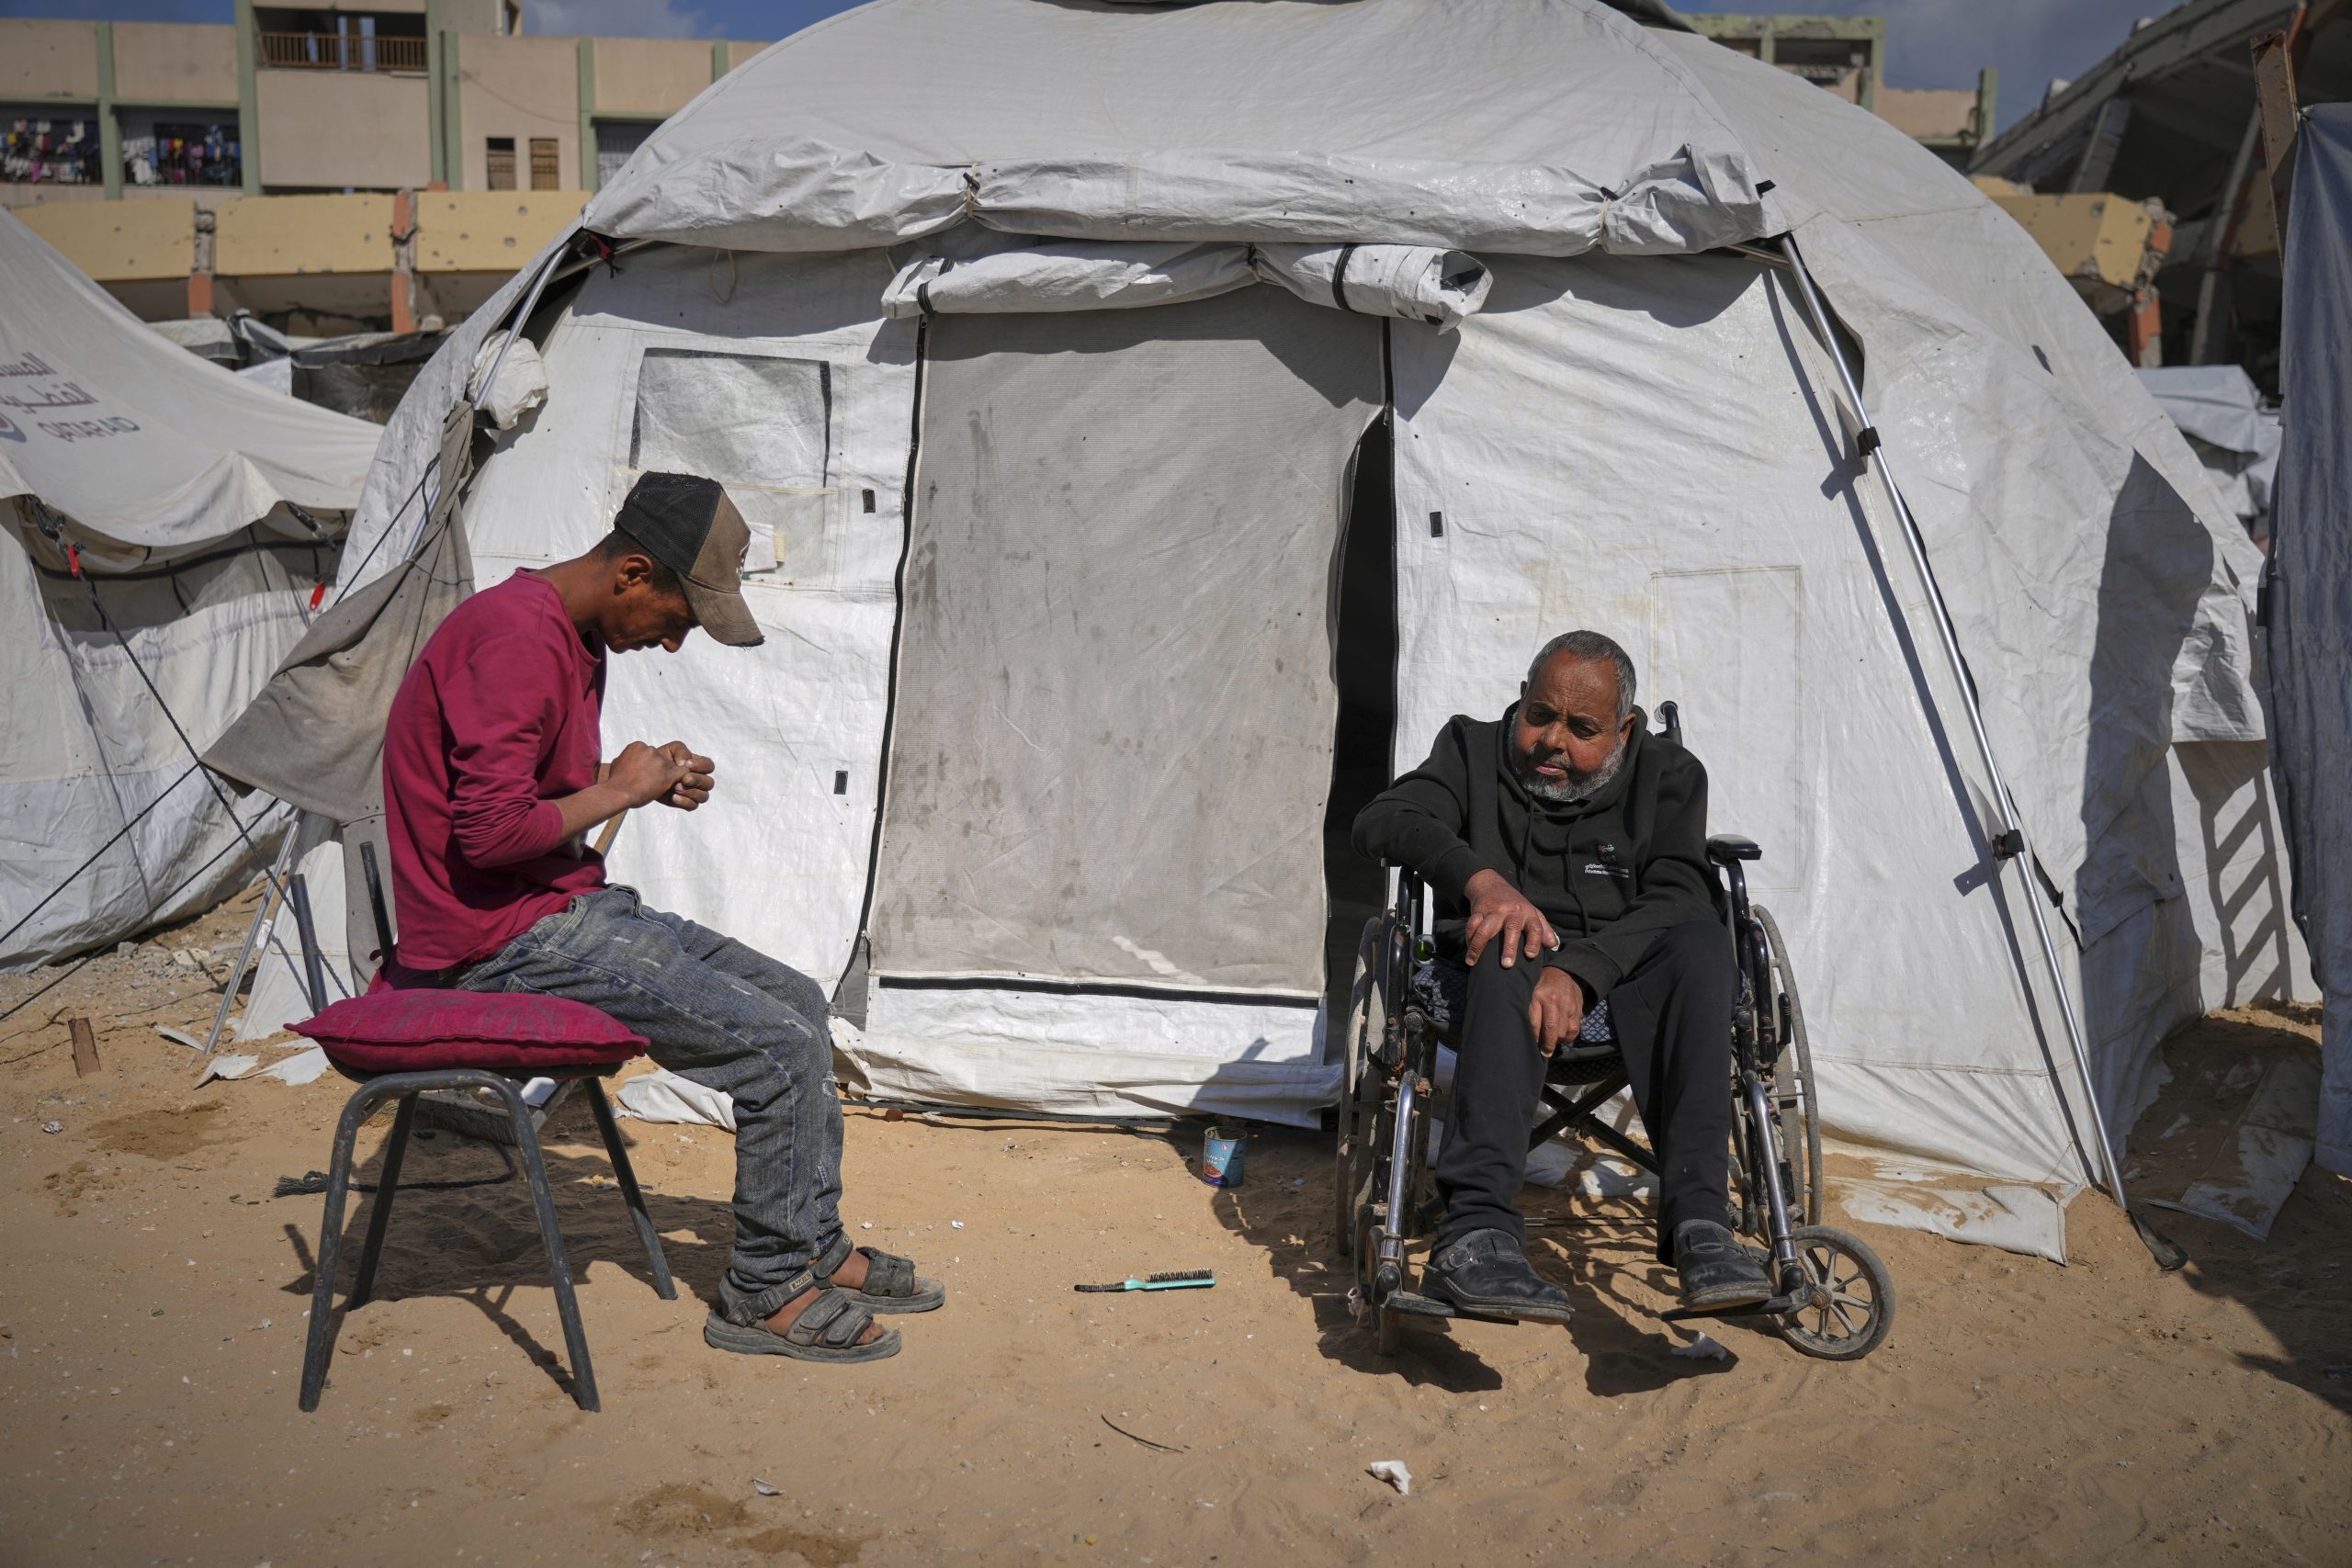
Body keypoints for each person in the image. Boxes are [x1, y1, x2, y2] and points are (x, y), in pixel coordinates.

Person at [381, 470, 939, 1364]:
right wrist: (615, 789)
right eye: (679, 619)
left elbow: (529, 803)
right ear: (633, 572)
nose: (675, 644)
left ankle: (810, 1246)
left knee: (796, 1001)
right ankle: (762, 1293)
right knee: (776, 1052)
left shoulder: (572, 636)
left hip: (558, 907)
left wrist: (641, 785)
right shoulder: (516, 636)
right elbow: (486, 839)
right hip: (493, 941)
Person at [1351, 629, 1771, 1322]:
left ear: (1625, 729)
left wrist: (1582, 969)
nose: (1553, 741)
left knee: (1702, 945)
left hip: (1623, 967)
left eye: (1583, 729)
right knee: (1512, 942)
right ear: (1521, 700)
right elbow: (1383, 818)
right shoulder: (1468, 749)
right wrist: (1482, 881)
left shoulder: (1670, 775)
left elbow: (1679, 892)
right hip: (1500, 969)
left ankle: (1703, 1227)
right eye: (1540, 715)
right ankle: (1474, 1236)